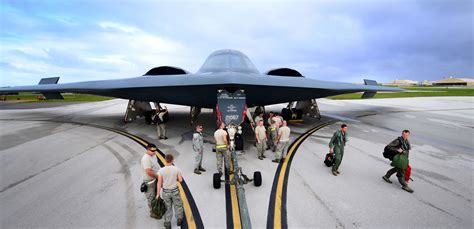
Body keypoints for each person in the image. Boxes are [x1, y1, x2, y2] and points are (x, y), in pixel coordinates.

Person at [156, 154, 184, 228]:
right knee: (178, 205)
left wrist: (158, 194)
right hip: (175, 191)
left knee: (167, 207)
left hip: (166, 192)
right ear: (172, 160)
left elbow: (159, 183)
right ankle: (179, 219)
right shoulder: (176, 169)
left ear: (165, 160)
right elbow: (180, 180)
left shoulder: (161, 171)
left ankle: (168, 223)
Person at [140, 144, 161, 219]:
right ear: (147, 149)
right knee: (151, 198)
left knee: (156, 195)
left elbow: (156, 165)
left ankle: (157, 208)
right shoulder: (145, 159)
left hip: (155, 179)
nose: (155, 152)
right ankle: (152, 213)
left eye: (156, 150)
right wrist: (158, 176)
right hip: (150, 181)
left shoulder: (153, 155)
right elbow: (148, 171)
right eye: (153, 151)